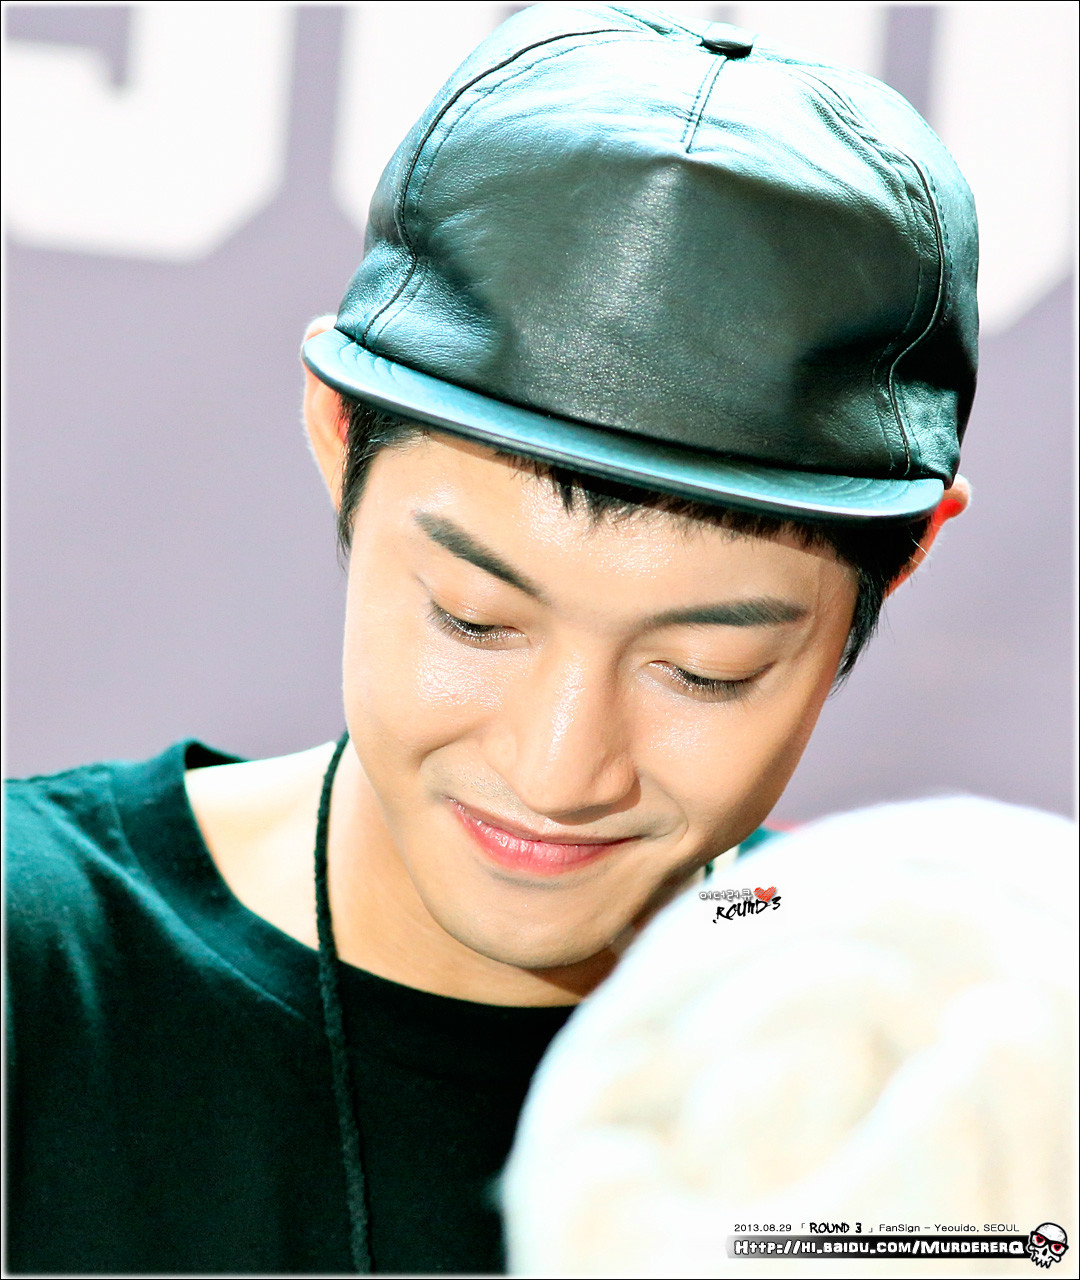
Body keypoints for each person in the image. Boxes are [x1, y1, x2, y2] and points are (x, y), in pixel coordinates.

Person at [5, 4, 978, 1275]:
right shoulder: (39, 969)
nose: (560, 769)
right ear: (337, 435)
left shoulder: (960, 1057)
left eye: (705, 670)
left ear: (903, 557)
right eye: (477, 618)